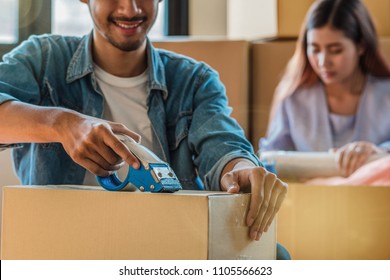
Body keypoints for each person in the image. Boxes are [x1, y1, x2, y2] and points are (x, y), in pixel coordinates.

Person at [0, 0, 288, 254]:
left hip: (162, 246)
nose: (131, 9)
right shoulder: (43, 59)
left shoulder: (194, 81)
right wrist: (62, 124)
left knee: (277, 256)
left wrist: (240, 170)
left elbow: (222, 146)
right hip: (63, 245)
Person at [260, 0, 390, 178]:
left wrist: (381, 152)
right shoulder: (292, 97)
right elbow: (270, 161)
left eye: (335, 50)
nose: (322, 62)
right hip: (310, 202)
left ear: (361, 46)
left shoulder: (386, 94)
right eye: (314, 49)